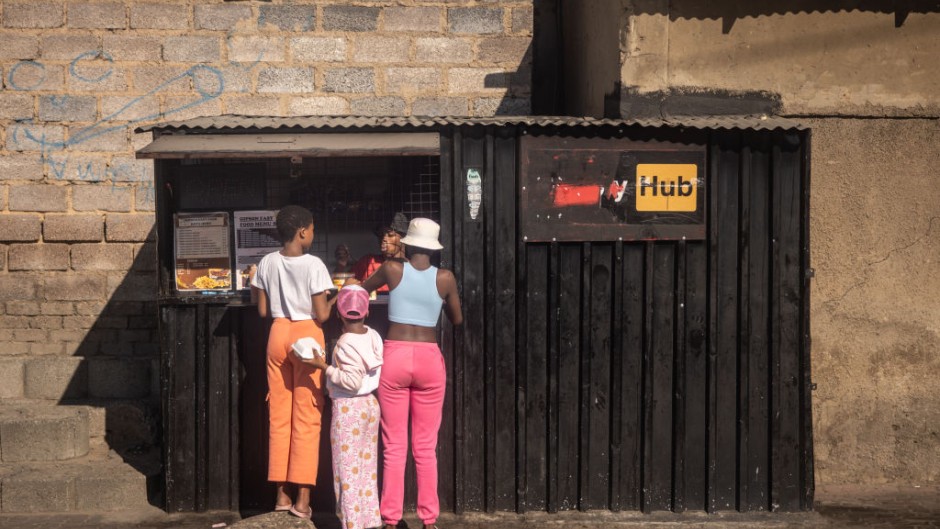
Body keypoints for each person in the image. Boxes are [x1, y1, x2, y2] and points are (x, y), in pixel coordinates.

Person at [347, 218, 463, 529]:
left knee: (394, 445)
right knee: (425, 447)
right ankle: (429, 520)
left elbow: (358, 293)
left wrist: (337, 305)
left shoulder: (392, 270)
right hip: (428, 359)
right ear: (434, 248)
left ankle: (390, 519)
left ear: (408, 243)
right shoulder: (446, 278)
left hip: (395, 356)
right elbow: (457, 318)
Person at [248, 205, 333, 520]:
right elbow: (322, 315)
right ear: (302, 232)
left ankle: (280, 495)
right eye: (312, 229)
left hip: (278, 333)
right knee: (307, 417)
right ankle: (302, 500)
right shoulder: (314, 265)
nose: (313, 233)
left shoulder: (267, 262)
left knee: (279, 417)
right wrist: (343, 295)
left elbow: (260, 310)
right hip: (306, 337)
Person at [301, 285, 383, 529]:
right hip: (370, 405)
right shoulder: (374, 335)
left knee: (346, 471)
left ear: (338, 314)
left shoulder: (346, 342)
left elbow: (350, 381)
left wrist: (322, 365)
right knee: (366, 470)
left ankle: (352, 524)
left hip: (349, 409)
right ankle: (369, 521)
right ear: (366, 312)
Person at [351, 212, 409, 293]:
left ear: (403, 238)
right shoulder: (368, 261)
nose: (384, 238)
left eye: (390, 235)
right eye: (381, 235)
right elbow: (347, 282)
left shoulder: (410, 268)